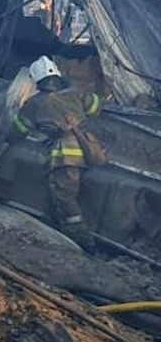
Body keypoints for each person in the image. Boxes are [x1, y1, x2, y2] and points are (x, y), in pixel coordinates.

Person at [11, 56, 104, 246]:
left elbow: (17, 131)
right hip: (89, 149)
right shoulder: (75, 93)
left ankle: (83, 242)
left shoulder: (34, 104)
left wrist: (5, 138)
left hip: (66, 157)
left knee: (65, 199)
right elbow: (96, 106)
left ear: (37, 80)